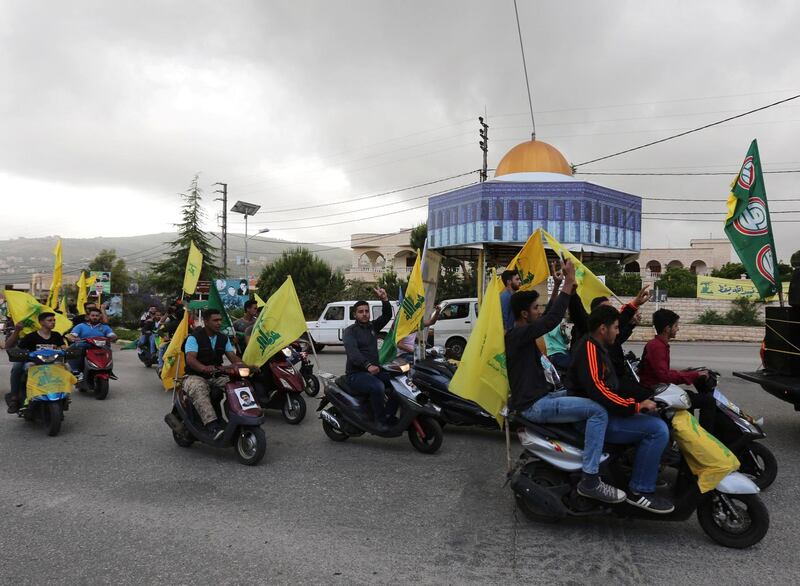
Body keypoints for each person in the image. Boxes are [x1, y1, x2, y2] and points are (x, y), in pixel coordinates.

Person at [507, 259, 626, 504]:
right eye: (535, 308)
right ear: (523, 314)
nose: (538, 311)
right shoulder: (518, 334)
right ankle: (590, 479)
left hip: (543, 396)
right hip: (534, 406)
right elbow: (549, 321)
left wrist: (559, 283)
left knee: (587, 395)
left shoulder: (522, 331)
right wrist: (569, 285)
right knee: (598, 412)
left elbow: (547, 316)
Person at [569, 305, 673, 513]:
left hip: (605, 411)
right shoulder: (589, 348)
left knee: (655, 419)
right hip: (595, 418)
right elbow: (599, 390)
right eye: (616, 328)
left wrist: (641, 398)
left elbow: (611, 386)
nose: (618, 332)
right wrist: (634, 406)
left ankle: (637, 470)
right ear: (602, 328)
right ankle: (640, 491)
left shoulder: (599, 346)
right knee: (658, 430)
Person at [639, 309, 716, 432]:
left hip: (658, 389)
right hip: (656, 392)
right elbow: (664, 377)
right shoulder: (657, 347)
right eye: (676, 326)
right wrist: (693, 375)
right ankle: (707, 437)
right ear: (667, 328)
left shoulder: (657, 344)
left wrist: (686, 372)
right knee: (709, 401)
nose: (678, 329)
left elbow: (663, 372)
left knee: (688, 398)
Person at [182, 308, 249, 440]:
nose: (219, 323)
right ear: (206, 322)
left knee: (240, 385)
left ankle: (241, 417)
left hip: (216, 375)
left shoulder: (223, 338)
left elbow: (233, 358)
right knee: (198, 389)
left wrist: (247, 367)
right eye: (215, 320)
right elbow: (190, 359)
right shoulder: (194, 338)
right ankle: (212, 426)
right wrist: (203, 368)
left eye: (220, 320)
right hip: (195, 376)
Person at [342, 288, 397, 428]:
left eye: (366, 311)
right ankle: (379, 421)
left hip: (375, 371)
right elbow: (353, 353)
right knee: (377, 387)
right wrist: (367, 365)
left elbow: (386, 315)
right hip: (356, 374)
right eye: (361, 311)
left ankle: (389, 415)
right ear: (355, 314)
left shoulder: (373, 326)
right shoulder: (350, 332)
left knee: (399, 384)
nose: (365, 314)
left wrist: (384, 299)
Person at [5, 312, 67, 413]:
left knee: (66, 367)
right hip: (33, 363)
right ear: (41, 322)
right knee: (17, 367)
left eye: (54, 320)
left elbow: (64, 347)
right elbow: (10, 346)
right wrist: (17, 331)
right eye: (50, 320)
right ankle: (14, 399)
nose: (53, 322)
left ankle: (64, 395)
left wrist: (67, 350)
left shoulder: (56, 335)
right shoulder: (31, 336)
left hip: (52, 363)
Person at [66, 308, 117, 375]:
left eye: (97, 316)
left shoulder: (105, 327)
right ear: (88, 316)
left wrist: (112, 337)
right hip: (85, 345)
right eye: (93, 315)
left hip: (100, 346)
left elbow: (112, 335)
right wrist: (74, 339)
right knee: (75, 347)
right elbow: (71, 336)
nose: (95, 317)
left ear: (100, 317)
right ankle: (76, 370)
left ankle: (108, 369)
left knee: (108, 350)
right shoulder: (81, 326)